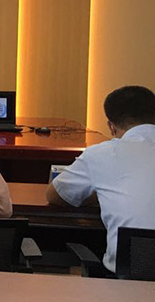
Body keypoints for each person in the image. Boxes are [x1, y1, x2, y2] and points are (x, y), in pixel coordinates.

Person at [47, 85, 155, 274]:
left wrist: (102, 195)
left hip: (129, 282)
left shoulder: (102, 154)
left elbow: (56, 196)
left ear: (111, 127)